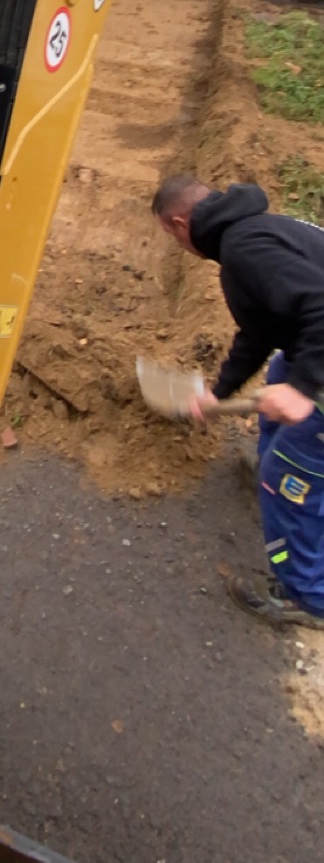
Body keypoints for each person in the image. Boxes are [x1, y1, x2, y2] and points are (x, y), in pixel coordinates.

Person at [152, 173, 324, 629]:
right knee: (280, 370)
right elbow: (261, 329)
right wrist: (220, 392)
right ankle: (276, 458)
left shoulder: (245, 252)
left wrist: (305, 388)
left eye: (170, 236)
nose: (177, 246)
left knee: (289, 481)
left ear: (179, 223)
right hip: (310, 350)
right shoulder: (259, 230)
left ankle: (306, 597)